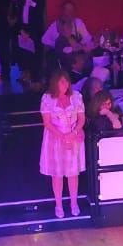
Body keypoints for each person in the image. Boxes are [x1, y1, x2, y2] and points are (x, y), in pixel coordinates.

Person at [39, 71, 84, 221]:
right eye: (61, 81)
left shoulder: (76, 96)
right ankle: (58, 205)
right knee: (57, 174)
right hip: (55, 138)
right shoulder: (47, 98)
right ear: (55, 83)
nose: (65, 84)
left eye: (66, 81)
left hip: (73, 137)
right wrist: (62, 136)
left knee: (73, 173)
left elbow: (82, 119)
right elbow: (47, 122)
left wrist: (74, 132)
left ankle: (74, 203)